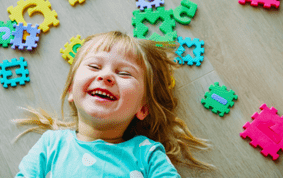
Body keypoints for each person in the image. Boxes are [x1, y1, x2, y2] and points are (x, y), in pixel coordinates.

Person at [13, 31, 213, 178]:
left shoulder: (147, 154)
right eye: (94, 66)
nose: (106, 75)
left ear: (142, 108)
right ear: (71, 91)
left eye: (125, 73)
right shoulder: (52, 144)